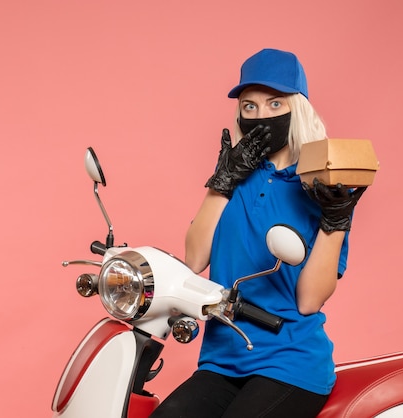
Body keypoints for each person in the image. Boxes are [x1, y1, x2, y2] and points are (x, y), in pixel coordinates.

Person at [149, 48, 367, 418]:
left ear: (297, 109)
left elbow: (309, 302)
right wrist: (222, 183)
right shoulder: (236, 178)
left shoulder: (321, 185)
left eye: (274, 104)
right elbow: (195, 259)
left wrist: (336, 221)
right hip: (222, 360)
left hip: (290, 363)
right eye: (249, 106)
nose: (261, 115)